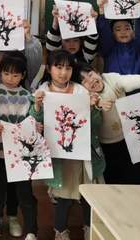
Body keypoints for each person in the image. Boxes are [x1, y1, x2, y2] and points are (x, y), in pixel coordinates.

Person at [30, 50, 104, 240]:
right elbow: (34, 123)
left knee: (87, 194)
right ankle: (60, 230)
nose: (63, 73)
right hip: (58, 156)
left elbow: (95, 124)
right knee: (62, 197)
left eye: (68, 68)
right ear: (49, 68)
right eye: (58, 67)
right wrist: (37, 107)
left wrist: (93, 107)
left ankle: (89, 227)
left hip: (82, 155)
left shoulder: (81, 91)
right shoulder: (42, 92)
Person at [78, 63, 140, 184]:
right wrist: (99, 103)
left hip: (128, 138)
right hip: (104, 145)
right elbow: (93, 102)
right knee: (112, 178)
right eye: (84, 81)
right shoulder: (85, 94)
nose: (90, 80)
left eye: (91, 74)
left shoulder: (110, 78)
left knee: (134, 175)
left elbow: (126, 80)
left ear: (98, 72)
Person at [0, 53, 38, 240]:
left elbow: (32, 119)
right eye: (6, 73)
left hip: (20, 154)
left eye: (15, 75)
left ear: (23, 75)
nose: (10, 78)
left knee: (23, 191)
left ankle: (21, 223)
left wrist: (35, 125)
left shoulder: (28, 96)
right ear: (0, 73)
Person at [0, 19, 42, 93]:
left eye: (5, 55)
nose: (0, 59)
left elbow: (34, 58)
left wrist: (28, 38)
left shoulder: (24, 73)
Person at [96, 0, 140, 77]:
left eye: (127, 28)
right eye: (118, 29)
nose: (123, 32)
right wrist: (101, 10)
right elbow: (104, 33)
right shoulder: (109, 50)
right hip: (116, 85)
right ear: (112, 33)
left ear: (133, 32)